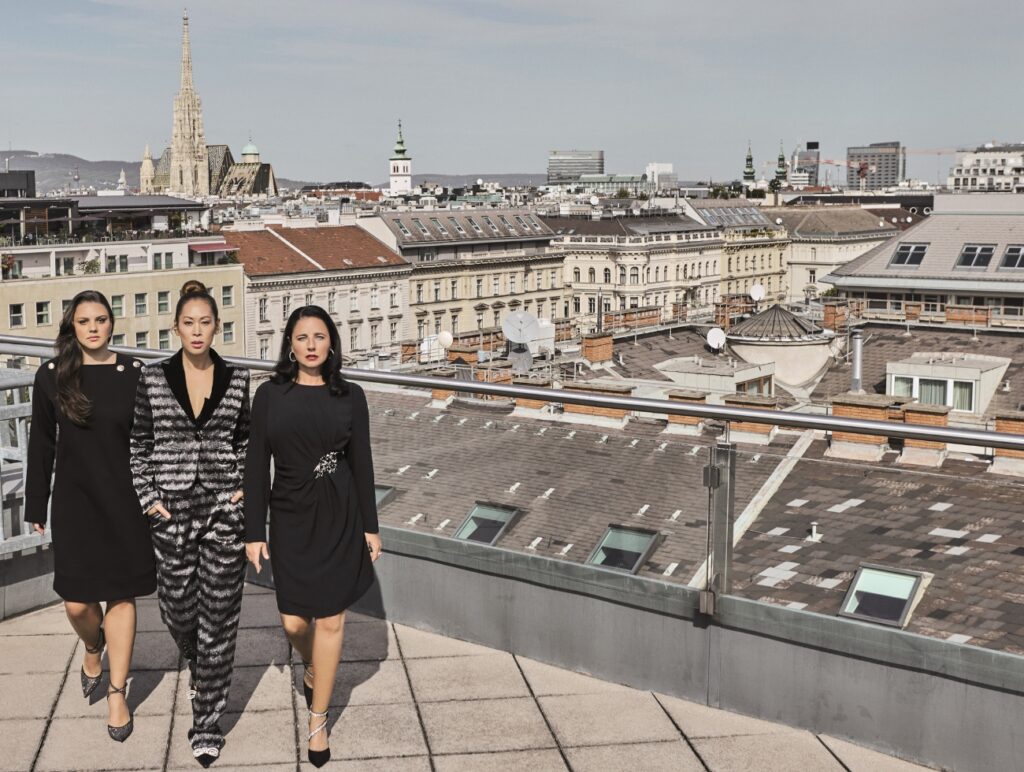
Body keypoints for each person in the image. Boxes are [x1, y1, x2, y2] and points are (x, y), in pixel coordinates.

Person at [243, 305, 382, 768]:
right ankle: (311, 665)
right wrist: (253, 530)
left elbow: (362, 463)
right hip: (289, 517)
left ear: (332, 343)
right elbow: (255, 465)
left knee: (331, 620)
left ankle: (318, 723)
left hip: (339, 515)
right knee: (294, 623)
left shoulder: (351, 396)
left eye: (319, 336)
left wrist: (371, 526)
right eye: (302, 337)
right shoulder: (269, 395)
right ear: (290, 344)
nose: (310, 345)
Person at [25, 290, 156, 742]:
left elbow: (151, 442)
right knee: (77, 602)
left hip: (125, 501)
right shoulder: (52, 376)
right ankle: (93, 645)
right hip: (75, 503)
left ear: (111, 324)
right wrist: (35, 503)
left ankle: (118, 692)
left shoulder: (135, 374)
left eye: (101, 319)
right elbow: (40, 443)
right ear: (72, 327)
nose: (94, 328)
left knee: (122, 597)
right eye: (85, 321)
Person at [130, 280, 249, 768]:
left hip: (223, 509)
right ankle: (200, 662)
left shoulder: (239, 378)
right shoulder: (153, 379)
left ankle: (207, 722)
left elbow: (246, 441)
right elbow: (138, 444)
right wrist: (149, 498)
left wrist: (241, 489)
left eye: (205, 323)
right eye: (188, 323)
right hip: (172, 510)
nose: (197, 331)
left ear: (216, 327)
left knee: (218, 618)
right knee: (177, 608)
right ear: (175, 327)